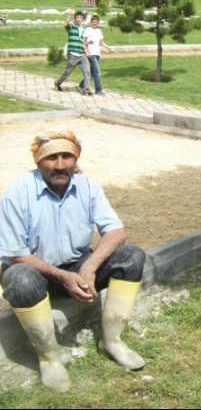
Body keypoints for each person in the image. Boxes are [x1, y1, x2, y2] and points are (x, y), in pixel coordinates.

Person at [0, 130, 147, 393]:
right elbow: (15, 254)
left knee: (132, 256)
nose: (60, 165)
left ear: (75, 158)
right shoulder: (18, 193)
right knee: (19, 276)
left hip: (79, 267)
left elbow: (116, 232)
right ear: (38, 161)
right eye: (51, 157)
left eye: (66, 156)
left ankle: (112, 341)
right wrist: (63, 277)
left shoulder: (87, 186)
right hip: (38, 272)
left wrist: (89, 268)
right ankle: (49, 357)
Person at [55, 7, 93, 96]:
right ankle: (57, 83)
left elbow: (83, 41)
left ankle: (86, 90)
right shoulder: (72, 27)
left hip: (81, 54)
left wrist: (87, 48)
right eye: (77, 18)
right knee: (67, 72)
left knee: (87, 72)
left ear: (83, 19)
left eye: (80, 18)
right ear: (75, 19)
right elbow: (65, 24)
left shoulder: (84, 30)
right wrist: (71, 14)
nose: (79, 19)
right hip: (72, 54)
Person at [79, 15, 114, 97]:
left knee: (93, 72)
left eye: (96, 22)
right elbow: (84, 42)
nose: (95, 23)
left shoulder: (99, 31)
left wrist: (108, 47)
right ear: (91, 22)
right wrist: (86, 52)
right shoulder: (87, 30)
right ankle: (98, 89)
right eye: (93, 22)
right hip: (91, 54)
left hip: (97, 53)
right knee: (97, 71)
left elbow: (101, 42)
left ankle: (82, 84)